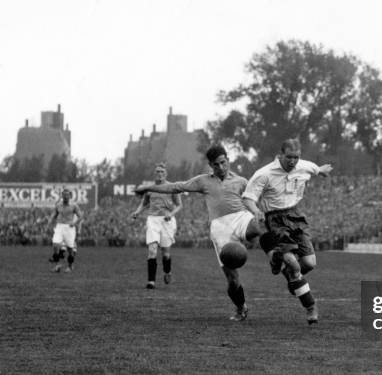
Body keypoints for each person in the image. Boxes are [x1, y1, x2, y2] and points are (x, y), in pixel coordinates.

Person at [135, 145, 262, 321]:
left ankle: (273, 254)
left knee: (257, 227)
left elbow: (253, 200)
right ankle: (241, 308)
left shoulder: (241, 182)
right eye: (216, 165)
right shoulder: (203, 181)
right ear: (211, 165)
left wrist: (258, 211)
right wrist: (148, 188)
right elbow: (176, 187)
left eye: (223, 163)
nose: (221, 167)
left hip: (240, 217)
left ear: (228, 160)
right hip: (220, 229)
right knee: (232, 279)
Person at [242, 138, 333, 325]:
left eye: (296, 157)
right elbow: (248, 198)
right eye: (289, 157)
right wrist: (256, 211)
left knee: (309, 263)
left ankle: (282, 266)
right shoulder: (264, 174)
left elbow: (315, 169)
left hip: (296, 216)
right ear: (280, 155)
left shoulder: (304, 165)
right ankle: (310, 306)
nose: (293, 161)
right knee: (293, 264)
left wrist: (322, 170)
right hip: (275, 219)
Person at [131, 163, 182, 289]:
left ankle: (167, 271)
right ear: (155, 173)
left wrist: (171, 213)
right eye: (158, 171)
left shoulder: (172, 187)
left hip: (167, 221)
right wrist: (137, 212)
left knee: (165, 252)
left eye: (162, 172)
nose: (159, 174)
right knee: (152, 249)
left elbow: (180, 205)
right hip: (153, 219)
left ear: (166, 173)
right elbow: (144, 204)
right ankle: (151, 281)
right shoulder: (150, 188)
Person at [49, 188, 83, 273]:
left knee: (70, 249)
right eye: (64, 195)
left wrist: (75, 223)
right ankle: (57, 266)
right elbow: (55, 213)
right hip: (59, 226)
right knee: (55, 244)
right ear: (62, 196)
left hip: (69, 228)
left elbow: (81, 216)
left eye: (67, 195)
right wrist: (51, 219)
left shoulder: (74, 205)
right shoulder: (58, 205)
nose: (65, 196)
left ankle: (70, 266)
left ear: (70, 196)